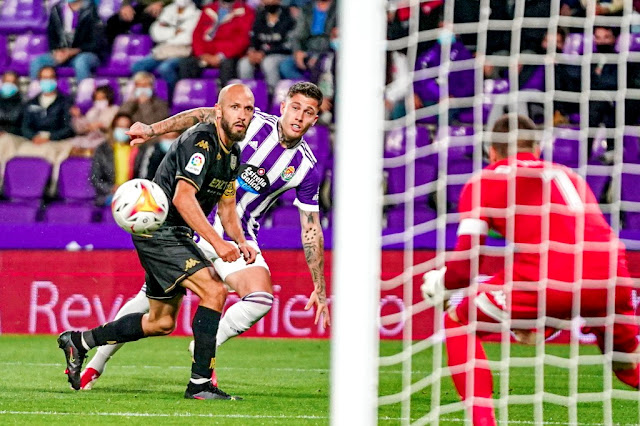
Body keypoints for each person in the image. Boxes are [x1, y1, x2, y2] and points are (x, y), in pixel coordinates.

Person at [79, 81, 331, 390]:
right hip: (194, 226)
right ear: (283, 107)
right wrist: (153, 130)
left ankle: (204, 345)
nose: (299, 117)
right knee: (148, 304)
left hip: (239, 235)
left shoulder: (306, 167)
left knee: (261, 298)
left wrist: (319, 286)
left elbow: (311, 228)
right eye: (295, 108)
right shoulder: (250, 122)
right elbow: (202, 115)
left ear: (315, 119)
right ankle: (95, 363)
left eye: (308, 112)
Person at [421, 114, 640, 426]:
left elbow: (464, 268)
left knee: (459, 322)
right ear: (537, 150)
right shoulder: (568, 175)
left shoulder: (485, 179)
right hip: (614, 274)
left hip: (550, 277)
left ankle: (483, 422)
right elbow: (581, 252)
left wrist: (442, 284)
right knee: (629, 368)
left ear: (491, 152)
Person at [58, 83, 259, 401]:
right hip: (159, 229)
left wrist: (240, 239)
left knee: (160, 322)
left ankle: (79, 341)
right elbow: (183, 198)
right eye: (235, 107)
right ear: (219, 110)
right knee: (214, 290)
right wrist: (218, 244)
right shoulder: (201, 141)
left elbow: (228, 208)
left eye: (248, 109)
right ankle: (200, 384)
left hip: (175, 234)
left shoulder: (233, 155)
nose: (243, 115)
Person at [130, 0, 201, 96]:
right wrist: (175, 32)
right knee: (137, 67)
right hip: (163, 50)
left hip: (182, 51)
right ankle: (150, 96)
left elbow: (187, 38)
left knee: (165, 68)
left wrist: (167, 31)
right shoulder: (167, 10)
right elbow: (155, 32)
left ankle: (170, 99)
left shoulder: (197, 14)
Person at [178, 0, 255, 87]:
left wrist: (221, 56)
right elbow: (197, 35)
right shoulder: (208, 9)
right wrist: (202, 54)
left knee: (228, 66)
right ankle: (191, 97)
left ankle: (225, 98)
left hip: (229, 55)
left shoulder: (246, 11)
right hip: (206, 54)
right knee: (186, 64)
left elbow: (243, 40)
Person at [30, 0, 107, 81]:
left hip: (86, 53)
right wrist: (56, 51)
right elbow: (52, 35)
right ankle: (36, 92)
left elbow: (96, 43)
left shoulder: (93, 11)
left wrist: (72, 52)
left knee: (81, 62)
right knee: (37, 62)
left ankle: (84, 92)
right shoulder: (57, 9)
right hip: (63, 53)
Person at [237, 0, 296, 91]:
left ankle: (273, 94)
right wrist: (252, 51)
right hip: (260, 54)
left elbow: (288, 44)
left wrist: (264, 53)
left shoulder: (288, 16)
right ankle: (248, 95)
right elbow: (254, 37)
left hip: (282, 54)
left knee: (268, 63)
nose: (270, 2)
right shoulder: (259, 16)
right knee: (244, 63)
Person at [90, 113, 138, 206]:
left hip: (134, 195)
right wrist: (112, 188)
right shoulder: (103, 149)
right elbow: (96, 178)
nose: (122, 130)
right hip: (109, 195)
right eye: (119, 127)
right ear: (113, 128)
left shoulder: (138, 150)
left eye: (126, 127)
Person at [71, 85, 120, 151]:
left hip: (105, 138)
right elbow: (83, 127)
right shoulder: (93, 110)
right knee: (74, 142)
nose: (99, 101)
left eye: (102, 98)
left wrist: (101, 125)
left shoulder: (115, 110)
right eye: (97, 99)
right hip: (90, 137)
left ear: (108, 98)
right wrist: (78, 117)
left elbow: (116, 127)